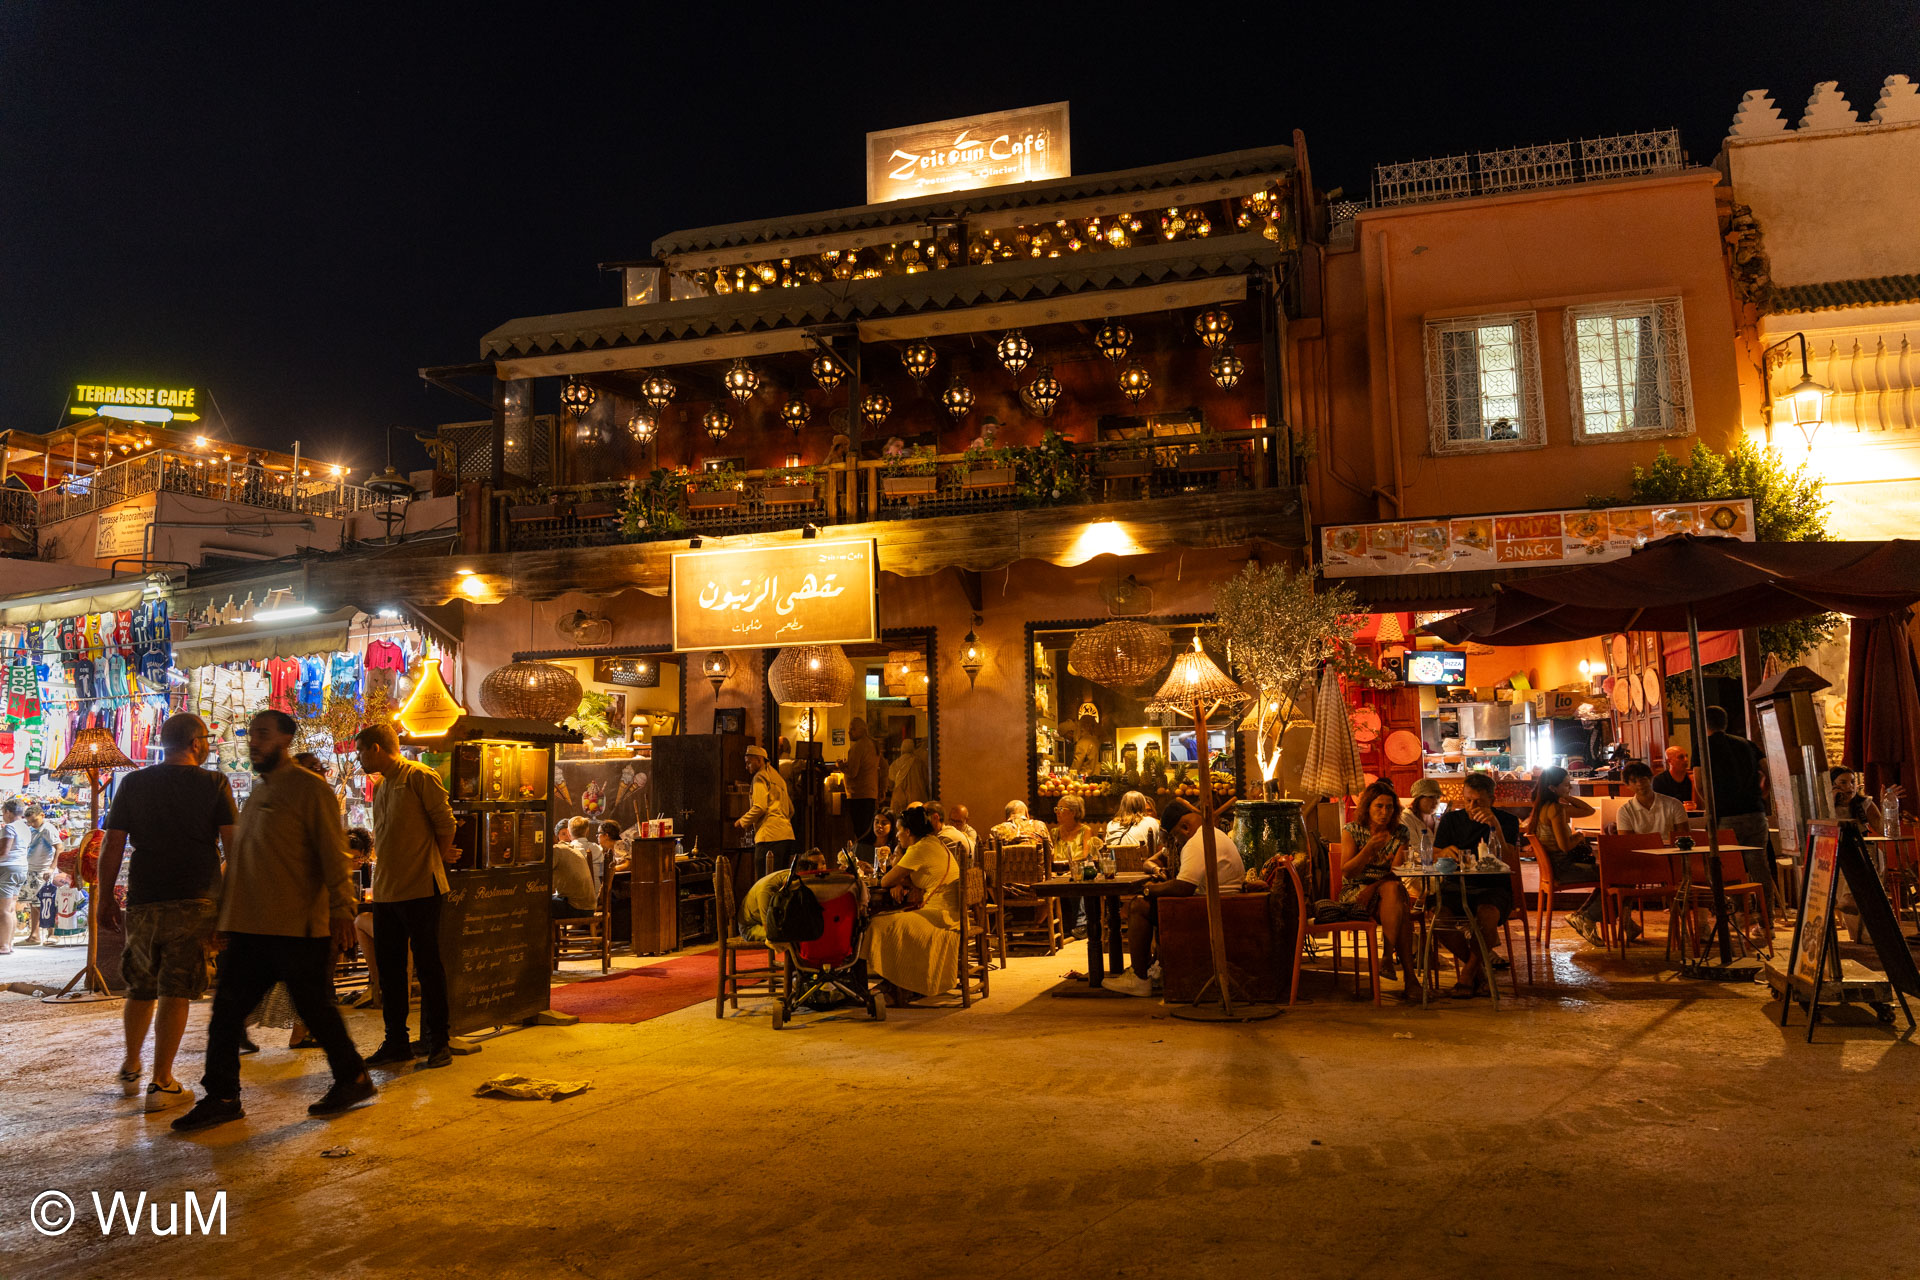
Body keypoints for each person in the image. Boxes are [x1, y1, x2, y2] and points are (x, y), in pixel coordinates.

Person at [173, 709, 374, 1132]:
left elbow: (333, 854)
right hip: (252, 928)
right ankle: (223, 1096)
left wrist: (343, 910)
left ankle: (353, 1077)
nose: (254, 741)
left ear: (284, 739)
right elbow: (244, 862)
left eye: (262, 734)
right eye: (252, 734)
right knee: (226, 1014)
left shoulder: (310, 789)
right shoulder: (259, 792)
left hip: (296, 928)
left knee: (316, 1010)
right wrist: (224, 916)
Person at [97, 712, 238, 1111]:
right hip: (196, 900)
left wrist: (106, 897)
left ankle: (130, 1067)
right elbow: (235, 848)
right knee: (176, 988)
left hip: (144, 899)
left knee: (140, 985)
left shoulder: (134, 783)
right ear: (196, 743)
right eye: (206, 740)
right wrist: (230, 906)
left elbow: (113, 843)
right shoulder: (214, 783)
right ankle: (161, 1082)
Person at [355, 722, 458, 1071]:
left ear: (376, 749)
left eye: (361, 751)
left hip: (420, 888)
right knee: (391, 971)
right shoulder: (383, 785)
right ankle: (396, 1042)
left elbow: (446, 825)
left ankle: (439, 1042)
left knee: (428, 968)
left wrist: (434, 860)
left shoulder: (419, 776)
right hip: (386, 891)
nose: (359, 758)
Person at [1111, 798, 1244, 997]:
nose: (1177, 842)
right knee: (1150, 903)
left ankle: (1139, 978)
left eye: (1175, 836)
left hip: (1210, 910)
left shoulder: (1197, 842)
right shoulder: (1212, 834)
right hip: (1222, 904)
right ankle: (1153, 968)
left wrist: (1149, 890)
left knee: (1139, 906)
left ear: (1185, 827)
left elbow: (1183, 887)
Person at [858, 804, 960, 1005]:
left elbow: (886, 881)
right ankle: (895, 984)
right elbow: (911, 877)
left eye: (898, 830)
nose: (897, 835)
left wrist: (898, 878)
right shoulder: (933, 842)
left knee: (879, 924)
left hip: (939, 916)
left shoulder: (919, 848)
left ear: (908, 831)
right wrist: (902, 880)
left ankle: (898, 984)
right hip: (948, 912)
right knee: (891, 920)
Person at [1430, 771, 1518, 998]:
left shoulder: (1507, 821)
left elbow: (1510, 859)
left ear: (1492, 800)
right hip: (1456, 886)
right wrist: (1445, 852)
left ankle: (1467, 975)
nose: (1472, 806)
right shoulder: (1451, 820)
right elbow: (1435, 853)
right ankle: (1478, 973)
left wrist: (1495, 826)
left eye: (1478, 802)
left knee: (1486, 916)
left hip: (1493, 886)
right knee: (1439, 920)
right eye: (1468, 800)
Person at [1334, 782, 1422, 1000]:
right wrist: (1369, 849)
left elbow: (1396, 873)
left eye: (1389, 807)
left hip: (1385, 890)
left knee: (1394, 890)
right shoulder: (1352, 830)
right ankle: (1407, 977)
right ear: (1368, 807)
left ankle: (1388, 958)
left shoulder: (1400, 832)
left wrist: (1374, 886)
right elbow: (1347, 872)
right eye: (1379, 806)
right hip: (1356, 893)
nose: (1384, 812)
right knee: (1400, 909)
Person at [1703, 706, 1779, 909]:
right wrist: (1761, 796)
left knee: (1729, 866)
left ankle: (1739, 912)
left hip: (1725, 815)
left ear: (1704, 723)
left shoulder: (1704, 746)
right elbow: (1769, 773)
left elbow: (1700, 784)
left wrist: (1712, 804)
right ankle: (1766, 916)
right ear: (1725, 722)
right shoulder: (1748, 744)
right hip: (1755, 813)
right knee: (1759, 865)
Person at [1526, 766, 1604, 945]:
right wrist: (1580, 835)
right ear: (1552, 788)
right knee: (1614, 876)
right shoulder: (1555, 809)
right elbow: (1565, 846)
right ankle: (1586, 917)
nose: (1570, 787)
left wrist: (1565, 795)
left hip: (1555, 867)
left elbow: (1589, 811)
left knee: (1612, 876)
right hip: (1564, 868)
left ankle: (1587, 916)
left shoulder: (1543, 807)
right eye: (1566, 785)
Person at [738, 851, 828, 942]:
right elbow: (770, 929)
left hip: (773, 921)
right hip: (751, 927)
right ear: (786, 884)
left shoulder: (794, 875)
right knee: (787, 935)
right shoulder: (765, 892)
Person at [738, 744, 795, 878]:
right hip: (786, 836)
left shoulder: (760, 777)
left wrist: (742, 822)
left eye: (749, 763)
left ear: (759, 760)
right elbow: (791, 809)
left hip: (768, 837)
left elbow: (759, 807)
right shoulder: (778, 778)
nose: (746, 767)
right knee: (780, 881)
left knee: (765, 882)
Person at [1051, 794, 1102, 940]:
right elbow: (1050, 856)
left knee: (1079, 877)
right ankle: (1045, 924)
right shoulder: (1055, 832)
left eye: (1061, 809)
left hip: (1078, 871)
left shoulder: (1085, 831)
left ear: (1073, 812)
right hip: (1058, 873)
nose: (1057, 812)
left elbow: (1086, 856)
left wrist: (1069, 866)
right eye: (1056, 809)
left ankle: (1082, 924)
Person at [1613, 761, 1689, 840]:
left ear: (1650, 779)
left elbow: (1684, 838)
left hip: (1670, 847)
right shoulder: (1624, 811)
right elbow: (1627, 842)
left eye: (1642, 779)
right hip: (1640, 848)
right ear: (1627, 785)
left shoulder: (1674, 804)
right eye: (1634, 781)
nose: (1639, 784)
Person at [17, 804, 57, 946]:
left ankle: (52, 933)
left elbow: (59, 848)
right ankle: (34, 935)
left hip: (43, 871)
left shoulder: (48, 829)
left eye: (34, 820)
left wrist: (51, 868)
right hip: (31, 870)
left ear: (42, 816)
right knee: (33, 903)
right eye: (29, 822)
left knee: (47, 902)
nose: (32, 824)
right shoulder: (32, 830)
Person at [841, 718, 882, 842]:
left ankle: (863, 854)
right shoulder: (873, 745)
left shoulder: (858, 747)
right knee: (868, 831)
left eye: (852, 729)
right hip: (870, 793)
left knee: (861, 832)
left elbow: (852, 772)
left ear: (862, 730)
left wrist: (841, 767)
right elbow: (883, 767)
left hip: (858, 794)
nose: (849, 732)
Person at [1831, 767, 1903, 828]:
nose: (1850, 786)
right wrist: (1831, 802)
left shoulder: (1864, 803)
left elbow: (1882, 830)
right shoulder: (1826, 806)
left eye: (1852, 782)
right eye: (1843, 782)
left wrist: (1886, 805)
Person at [1103, 790, 1160, 862]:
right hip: (1143, 866)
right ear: (1143, 805)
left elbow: (1108, 848)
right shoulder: (1151, 822)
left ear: (1122, 805)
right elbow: (1158, 847)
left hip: (1115, 866)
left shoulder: (1111, 824)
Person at [551, 835, 597, 920]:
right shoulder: (569, 847)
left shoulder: (555, 850)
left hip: (576, 908)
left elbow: (542, 876)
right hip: (589, 907)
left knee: (536, 902)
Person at [0, 800, 24, 953]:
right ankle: (9, 943)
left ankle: (3, 945)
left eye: (3, 812)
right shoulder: (25, 827)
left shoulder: (9, 827)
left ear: (8, 812)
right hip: (21, 868)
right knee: (11, 908)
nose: (3, 816)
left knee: (3, 910)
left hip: (8, 868)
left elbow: (4, 852)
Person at [887, 737, 931, 813]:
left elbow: (890, 784)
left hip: (899, 798)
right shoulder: (919, 763)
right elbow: (927, 781)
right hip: (917, 799)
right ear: (912, 748)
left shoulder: (895, 764)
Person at [1402, 778, 1444, 856]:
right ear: (1418, 799)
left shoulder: (1437, 820)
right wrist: (1441, 853)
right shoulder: (1406, 818)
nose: (1435, 801)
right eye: (1430, 797)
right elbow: (1415, 849)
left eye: (1438, 797)